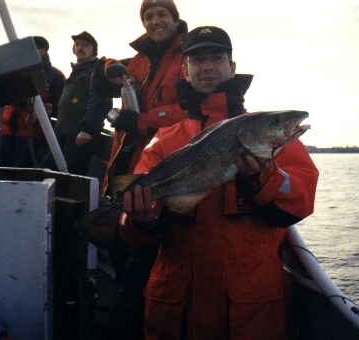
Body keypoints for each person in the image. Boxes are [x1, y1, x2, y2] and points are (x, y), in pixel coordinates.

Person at [118, 26, 319, 339]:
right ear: (184, 71)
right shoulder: (163, 140)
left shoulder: (270, 134)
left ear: (232, 66)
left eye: (217, 57)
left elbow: (302, 199)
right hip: (177, 310)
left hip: (249, 314)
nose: (207, 66)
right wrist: (140, 220)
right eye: (197, 59)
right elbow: (132, 229)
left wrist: (262, 176)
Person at [92, 1, 189, 338]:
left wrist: (143, 120)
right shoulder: (140, 59)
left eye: (162, 14)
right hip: (127, 167)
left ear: (175, 19)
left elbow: (192, 110)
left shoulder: (188, 56)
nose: (154, 20)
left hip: (160, 174)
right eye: (148, 16)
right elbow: (104, 81)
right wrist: (109, 68)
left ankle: (130, 324)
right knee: (121, 250)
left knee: (141, 262)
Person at [39, 31, 112, 175]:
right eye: (77, 44)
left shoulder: (96, 72)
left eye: (85, 45)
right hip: (62, 134)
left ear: (94, 50)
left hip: (80, 136)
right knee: (44, 171)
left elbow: (100, 101)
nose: (80, 47)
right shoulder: (75, 73)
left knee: (71, 177)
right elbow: (73, 106)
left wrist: (88, 129)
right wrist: (53, 109)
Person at [0, 36, 65, 168]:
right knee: (2, 168)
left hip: (30, 134)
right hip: (7, 130)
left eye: (34, 49)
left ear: (43, 51)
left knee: (22, 171)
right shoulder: (15, 72)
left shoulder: (55, 76)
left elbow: (61, 107)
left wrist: (42, 112)